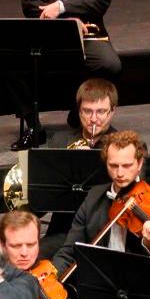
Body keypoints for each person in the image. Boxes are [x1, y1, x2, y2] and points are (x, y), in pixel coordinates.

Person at [52, 130, 150, 299]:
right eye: (113, 165)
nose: (119, 173)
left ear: (139, 163)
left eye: (126, 166)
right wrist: (51, 278)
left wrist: (149, 242)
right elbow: (70, 250)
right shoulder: (94, 198)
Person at [8, 0, 121, 150]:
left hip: (87, 30)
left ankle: (80, 112)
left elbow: (100, 0)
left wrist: (61, 7)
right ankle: (34, 127)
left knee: (109, 64)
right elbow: (29, 4)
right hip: (46, 30)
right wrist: (63, 21)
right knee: (9, 62)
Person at [37, 78, 120, 260]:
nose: (93, 119)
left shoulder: (125, 146)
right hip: (64, 233)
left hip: (106, 233)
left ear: (112, 112)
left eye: (101, 112)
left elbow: (129, 195)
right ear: (79, 111)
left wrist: (91, 162)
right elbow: (42, 200)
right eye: (87, 111)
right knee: (33, 260)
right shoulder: (59, 142)